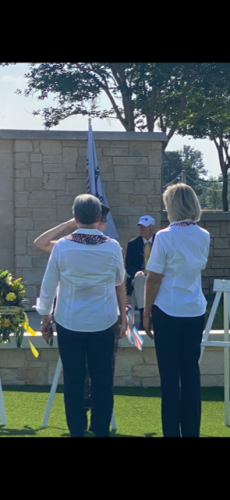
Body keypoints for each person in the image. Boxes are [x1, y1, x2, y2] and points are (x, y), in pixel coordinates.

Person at [36, 194, 126, 437]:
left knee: (74, 381)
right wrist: (124, 318)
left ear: (75, 218)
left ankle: (77, 431)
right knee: (102, 381)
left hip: (70, 322)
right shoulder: (112, 247)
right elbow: (119, 281)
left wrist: (45, 319)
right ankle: (100, 431)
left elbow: (48, 286)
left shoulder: (63, 246)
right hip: (103, 321)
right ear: (99, 218)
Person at [143, 183, 210, 437]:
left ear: (172, 206)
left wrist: (146, 313)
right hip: (194, 310)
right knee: (191, 374)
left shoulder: (164, 236)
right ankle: (191, 431)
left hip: (167, 311)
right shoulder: (204, 235)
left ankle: (171, 431)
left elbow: (153, 277)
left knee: (170, 377)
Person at [125, 215, 155, 330]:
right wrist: (137, 272)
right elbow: (129, 265)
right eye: (140, 227)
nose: (142, 229)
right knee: (141, 278)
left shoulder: (160, 242)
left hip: (155, 276)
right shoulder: (133, 244)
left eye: (145, 227)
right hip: (138, 278)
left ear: (152, 228)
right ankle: (144, 317)